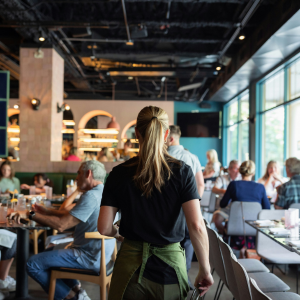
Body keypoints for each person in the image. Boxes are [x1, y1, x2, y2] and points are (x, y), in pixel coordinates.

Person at [98, 106, 213, 300]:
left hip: (128, 272)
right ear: (167, 134)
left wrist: (119, 234)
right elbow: (196, 225)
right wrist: (205, 269)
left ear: (137, 134)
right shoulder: (183, 172)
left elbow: (103, 227)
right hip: (169, 271)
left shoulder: (117, 174)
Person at [11, 161, 115, 300]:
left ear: (88, 173)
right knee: (50, 252)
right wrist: (46, 211)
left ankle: (73, 298)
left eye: (78, 173)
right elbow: (71, 215)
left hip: (88, 257)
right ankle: (78, 291)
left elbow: (62, 225)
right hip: (102, 255)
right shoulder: (103, 192)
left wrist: (30, 215)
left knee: (32, 264)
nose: (77, 178)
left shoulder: (91, 196)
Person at [166, 124, 205, 289]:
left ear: (171, 138)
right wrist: (194, 204)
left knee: (168, 240)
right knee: (188, 241)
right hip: (188, 207)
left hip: (166, 208)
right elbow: (200, 184)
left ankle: (169, 276)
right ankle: (184, 275)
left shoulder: (162, 155)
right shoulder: (192, 157)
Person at [211, 160, 241, 234]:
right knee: (217, 220)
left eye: (239, 169)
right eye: (236, 168)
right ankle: (225, 234)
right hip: (224, 208)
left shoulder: (241, 179)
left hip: (238, 208)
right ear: (229, 169)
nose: (238, 171)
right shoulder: (222, 178)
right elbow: (214, 189)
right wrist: (227, 192)